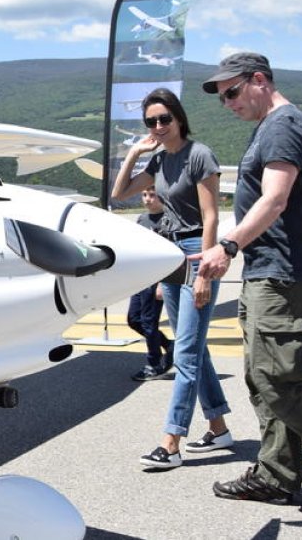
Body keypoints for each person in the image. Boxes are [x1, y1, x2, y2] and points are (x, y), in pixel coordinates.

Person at [197, 52, 302, 514]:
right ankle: (277, 473)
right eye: (221, 96)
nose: (227, 102)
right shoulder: (269, 127)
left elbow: (274, 199)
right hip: (266, 270)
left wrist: (228, 246)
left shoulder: (283, 125)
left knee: (282, 382)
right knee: (262, 377)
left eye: (232, 91)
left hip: (284, 273)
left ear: (259, 80)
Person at [111, 87, 231, 470]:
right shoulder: (159, 159)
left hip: (199, 249)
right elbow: (118, 195)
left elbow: (211, 217)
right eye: (151, 122)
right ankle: (218, 427)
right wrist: (134, 153)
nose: (159, 126)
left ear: (179, 117)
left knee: (186, 354)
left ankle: (171, 441)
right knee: (192, 347)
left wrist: (206, 272)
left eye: (164, 119)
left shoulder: (199, 155)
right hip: (171, 252)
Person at [126, 186, 173, 381]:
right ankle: (169, 346)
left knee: (148, 323)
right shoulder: (141, 220)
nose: (147, 199)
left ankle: (155, 364)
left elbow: (172, 255)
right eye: (144, 194)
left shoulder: (169, 221)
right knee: (133, 319)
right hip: (140, 279)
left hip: (157, 280)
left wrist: (164, 283)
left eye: (152, 195)